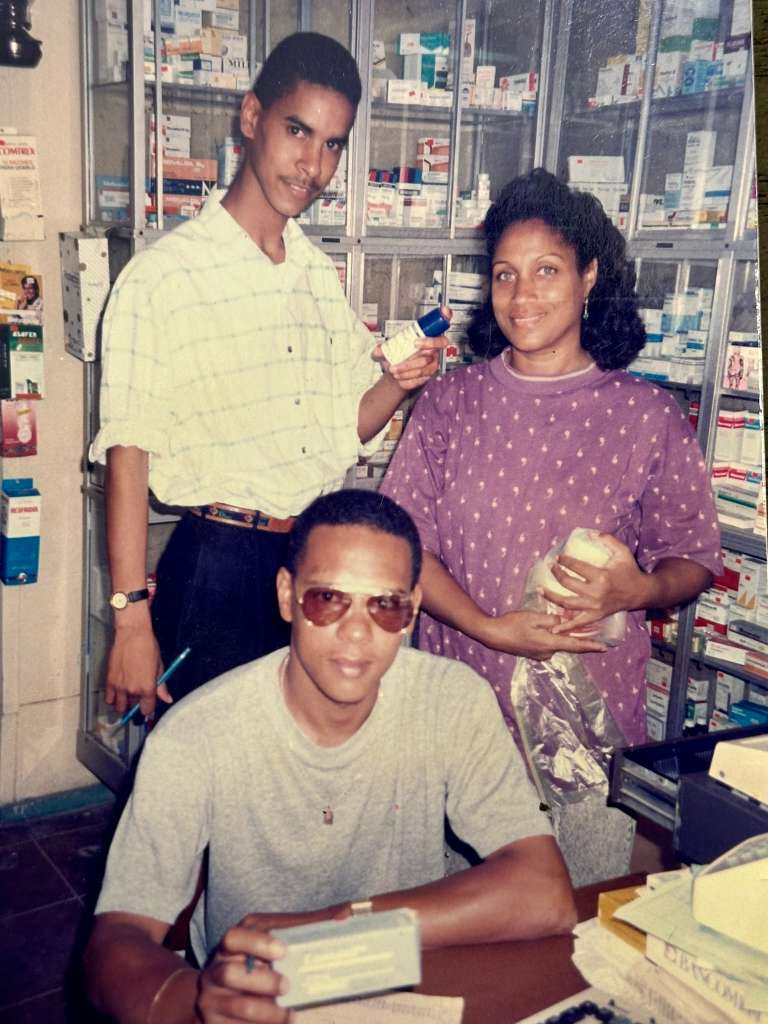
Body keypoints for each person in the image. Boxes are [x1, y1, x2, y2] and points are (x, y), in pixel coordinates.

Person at [84, 489, 576, 1024]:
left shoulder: (452, 700)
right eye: (327, 599)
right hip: (257, 1000)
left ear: (412, 610)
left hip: (403, 988)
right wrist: (200, 1000)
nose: (357, 631)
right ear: (287, 596)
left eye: (385, 605)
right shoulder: (196, 735)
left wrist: (335, 928)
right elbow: (115, 940)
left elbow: (545, 891)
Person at [89, 32, 444, 722]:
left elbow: (346, 425)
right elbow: (128, 454)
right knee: (205, 767)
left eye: (333, 144)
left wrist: (398, 381)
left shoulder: (314, 274)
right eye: (297, 131)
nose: (313, 165)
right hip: (217, 568)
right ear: (251, 118)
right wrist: (131, 621)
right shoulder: (166, 276)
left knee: (301, 763)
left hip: (311, 566)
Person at [380, 168, 722, 876]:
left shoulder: (646, 415)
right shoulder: (449, 403)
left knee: (576, 913)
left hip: (588, 728)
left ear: (588, 275)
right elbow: (404, 547)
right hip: (460, 713)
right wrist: (488, 627)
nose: (522, 295)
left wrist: (638, 590)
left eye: (546, 271)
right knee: (454, 911)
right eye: (505, 275)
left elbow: (693, 556)